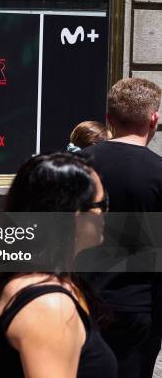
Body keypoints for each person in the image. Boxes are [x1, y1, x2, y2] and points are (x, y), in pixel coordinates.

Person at [0, 152, 117, 378]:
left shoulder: (42, 280)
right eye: (102, 203)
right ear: (71, 213)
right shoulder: (49, 305)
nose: (108, 212)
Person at [81, 78, 162, 378]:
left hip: (78, 303)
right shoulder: (158, 173)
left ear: (109, 118)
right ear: (154, 118)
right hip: (138, 310)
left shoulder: (74, 165)